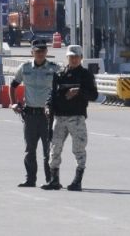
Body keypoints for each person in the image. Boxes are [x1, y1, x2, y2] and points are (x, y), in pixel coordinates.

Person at [42, 44, 98, 191]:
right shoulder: (59, 74)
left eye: (76, 57)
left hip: (76, 118)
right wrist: (48, 106)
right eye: (71, 57)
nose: (73, 59)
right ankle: (54, 180)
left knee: (79, 149)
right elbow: (51, 94)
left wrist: (79, 91)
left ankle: (77, 181)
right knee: (55, 149)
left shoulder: (85, 75)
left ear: (81, 58)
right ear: (67, 57)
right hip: (59, 118)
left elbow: (94, 95)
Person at [10, 38, 59, 187]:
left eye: (43, 51)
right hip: (30, 115)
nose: (40, 54)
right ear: (32, 52)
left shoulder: (54, 68)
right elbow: (13, 85)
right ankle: (30, 179)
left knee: (48, 151)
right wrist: (14, 103)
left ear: (46, 52)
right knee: (29, 150)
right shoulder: (24, 68)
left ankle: (50, 180)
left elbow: (61, 89)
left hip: (47, 116)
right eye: (37, 51)